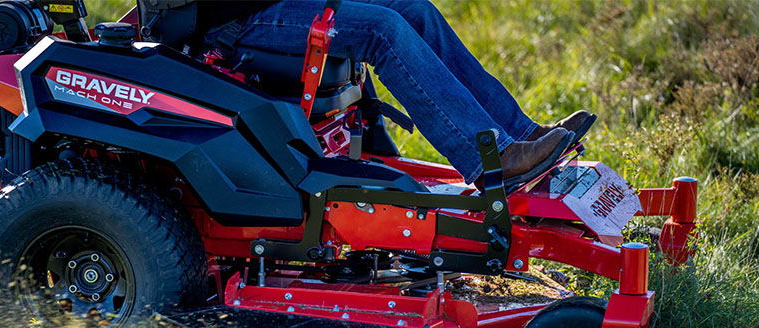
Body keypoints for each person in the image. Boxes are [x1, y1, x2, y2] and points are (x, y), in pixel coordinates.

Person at [142, 0, 595, 190]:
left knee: (415, 10)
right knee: (384, 30)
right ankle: (489, 160)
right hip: (229, 22)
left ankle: (518, 133)